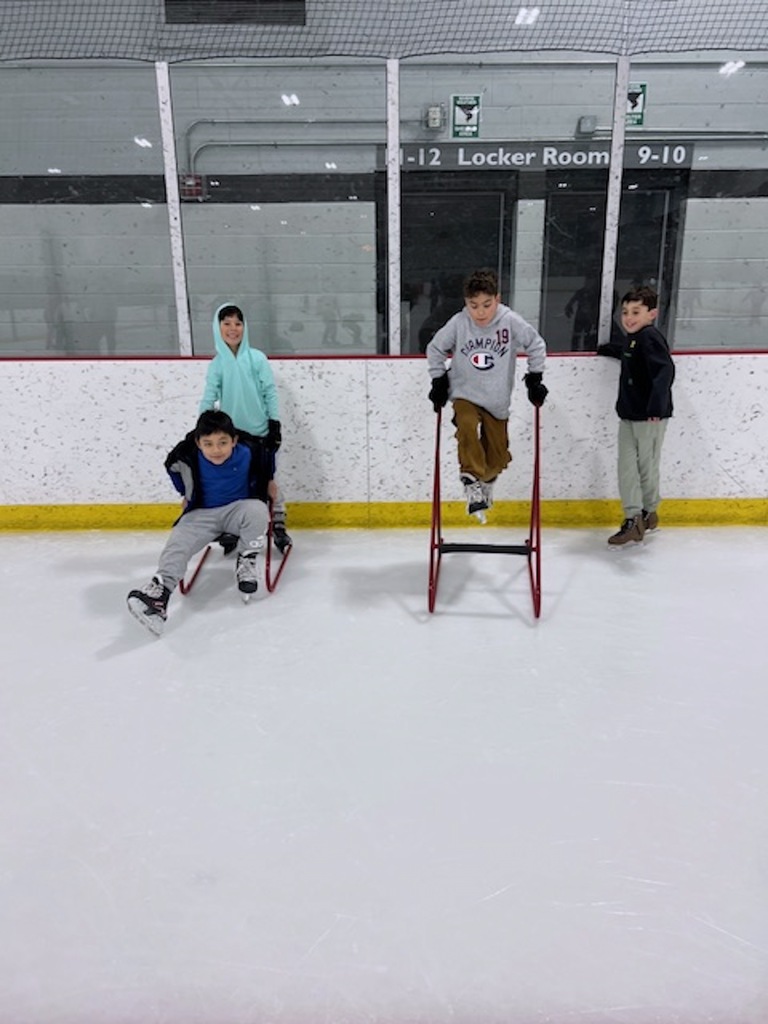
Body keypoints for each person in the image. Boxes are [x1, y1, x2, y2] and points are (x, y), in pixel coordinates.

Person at [126, 410, 276, 636]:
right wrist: (185, 493)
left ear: (234, 440)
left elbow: (267, 455)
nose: (216, 450)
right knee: (179, 539)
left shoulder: (250, 450)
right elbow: (172, 468)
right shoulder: (185, 455)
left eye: (223, 442)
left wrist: (270, 480)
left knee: (257, 510)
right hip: (202, 514)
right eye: (208, 444)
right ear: (198, 443)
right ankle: (160, 593)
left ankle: (247, 560)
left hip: (238, 509)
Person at [426, 267, 548, 519]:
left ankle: (486, 482)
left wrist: (535, 377)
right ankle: (471, 481)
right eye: (473, 305)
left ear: (498, 300)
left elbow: (536, 344)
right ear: (466, 303)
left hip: (497, 399)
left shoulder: (510, 321)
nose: (480, 312)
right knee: (466, 424)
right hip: (465, 392)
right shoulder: (459, 323)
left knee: (498, 457)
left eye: (486, 304)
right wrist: (438, 380)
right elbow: (435, 348)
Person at [200, 303, 292, 553]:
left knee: (268, 479)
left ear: (245, 327)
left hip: (261, 433)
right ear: (217, 328)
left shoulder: (257, 358)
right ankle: (234, 526)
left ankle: (279, 522)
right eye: (226, 323)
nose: (233, 329)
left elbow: (269, 392)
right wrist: (202, 427)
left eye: (238, 323)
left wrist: (274, 424)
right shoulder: (217, 364)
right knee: (235, 481)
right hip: (232, 438)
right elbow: (209, 396)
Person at [597, 285, 675, 545]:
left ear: (652, 314)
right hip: (630, 415)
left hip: (649, 416)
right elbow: (631, 354)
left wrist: (655, 406)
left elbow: (664, 371)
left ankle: (647, 512)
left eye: (636, 312)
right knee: (627, 467)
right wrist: (613, 350)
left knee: (645, 466)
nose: (628, 317)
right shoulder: (635, 339)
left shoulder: (650, 336)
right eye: (626, 312)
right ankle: (635, 517)